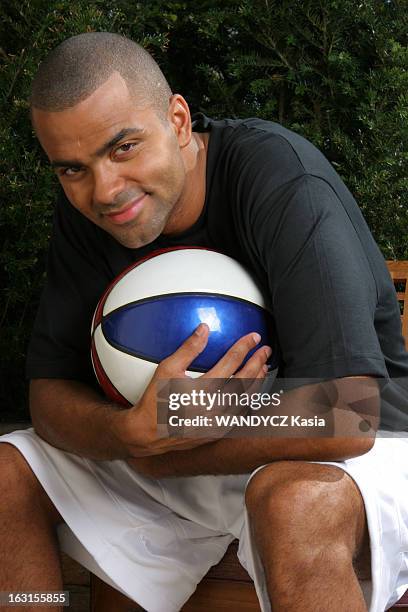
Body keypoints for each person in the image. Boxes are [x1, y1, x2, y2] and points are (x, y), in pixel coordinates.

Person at [1, 31, 407, 612]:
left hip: (362, 449)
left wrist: (174, 428)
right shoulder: (89, 214)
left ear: (179, 119)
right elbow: (47, 396)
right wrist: (126, 433)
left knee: (289, 502)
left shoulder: (280, 179)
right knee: (7, 476)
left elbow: (349, 414)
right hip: (178, 452)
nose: (105, 190)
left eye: (124, 148)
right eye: (72, 169)